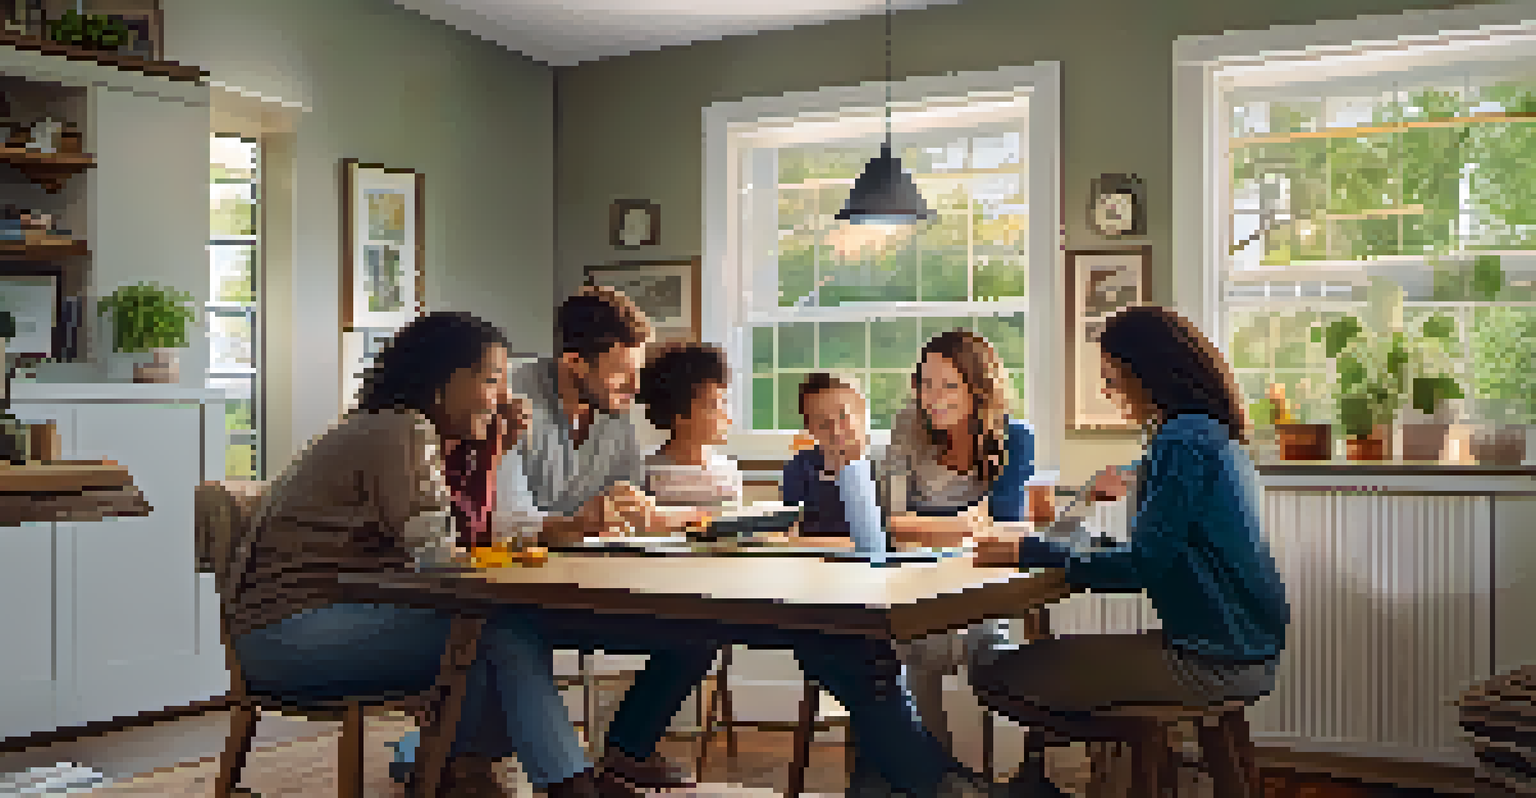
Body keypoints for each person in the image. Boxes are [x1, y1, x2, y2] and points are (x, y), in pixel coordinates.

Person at [225, 311, 632, 798]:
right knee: (499, 630)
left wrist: (492, 452)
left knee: (497, 635)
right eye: (491, 380)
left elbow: (461, 543)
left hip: (296, 633)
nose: (505, 398)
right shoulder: (401, 432)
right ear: (442, 382)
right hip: (292, 637)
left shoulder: (393, 430)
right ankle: (566, 785)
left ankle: (449, 769)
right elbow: (441, 561)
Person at [968, 305, 1291, 798]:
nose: (1109, 391)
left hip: (1214, 660)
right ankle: (1041, 784)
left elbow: (1142, 567)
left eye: (1112, 377)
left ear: (1145, 372)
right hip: (1245, 647)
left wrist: (1028, 552)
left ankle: (1037, 786)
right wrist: (1056, 547)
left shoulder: (1182, 441)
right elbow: (1165, 550)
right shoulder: (1211, 432)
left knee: (992, 670)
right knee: (1032, 664)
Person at [877, 329, 1055, 754]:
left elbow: (1005, 521)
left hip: (981, 578)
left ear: (978, 388)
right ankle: (931, 767)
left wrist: (934, 524)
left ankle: (1013, 764)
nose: (933, 397)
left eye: (949, 385)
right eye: (925, 383)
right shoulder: (907, 427)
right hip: (916, 578)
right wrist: (964, 522)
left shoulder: (1015, 437)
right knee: (913, 651)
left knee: (988, 649)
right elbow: (892, 522)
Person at [636, 341, 744, 508]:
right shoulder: (647, 474)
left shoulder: (728, 472)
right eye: (712, 405)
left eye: (724, 402)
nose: (725, 415)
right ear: (679, 414)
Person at [780, 372, 874, 547]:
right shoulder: (800, 468)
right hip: (813, 559)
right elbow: (788, 534)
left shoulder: (886, 466)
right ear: (809, 428)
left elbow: (890, 539)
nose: (835, 430)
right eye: (822, 422)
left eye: (843, 416)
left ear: (862, 413)